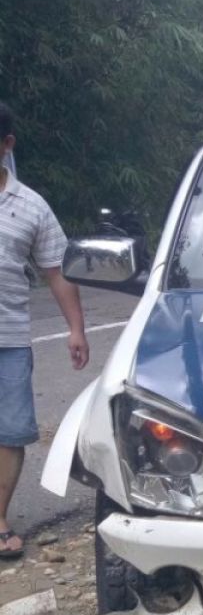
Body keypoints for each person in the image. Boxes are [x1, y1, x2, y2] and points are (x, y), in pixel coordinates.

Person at [0, 102, 89, 559]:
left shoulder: (32, 206)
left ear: (7, 144)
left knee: (10, 432)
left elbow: (56, 271)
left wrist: (76, 329)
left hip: (9, 337)